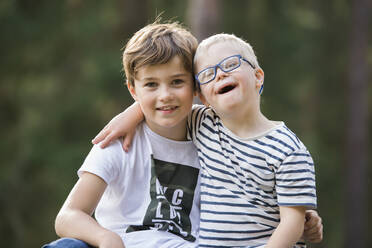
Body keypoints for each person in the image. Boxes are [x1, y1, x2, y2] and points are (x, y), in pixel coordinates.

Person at [93, 33, 322, 247]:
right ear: (202, 96)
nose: (221, 74)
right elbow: (164, 105)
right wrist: (129, 116)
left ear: (257, 76)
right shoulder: (204, 124)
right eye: (207, 74)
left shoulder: (288, 149)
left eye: (231, 64)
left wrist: (305, 218)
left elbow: (292, 223)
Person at [42, 21, 201, 248]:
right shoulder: (116, 141)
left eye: (177, 82)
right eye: (151, 84)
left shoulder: (211, 134)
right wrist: (106, 238)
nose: (165, 95)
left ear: (195, 85)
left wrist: (136, 110)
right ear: (133, 90)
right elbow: (67, 215)